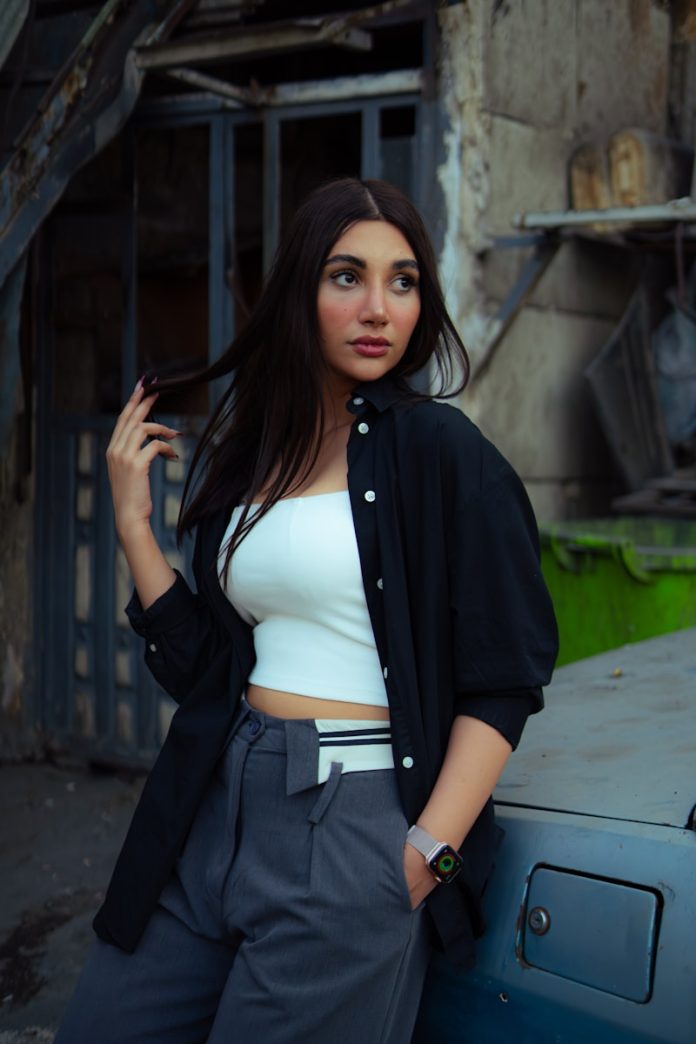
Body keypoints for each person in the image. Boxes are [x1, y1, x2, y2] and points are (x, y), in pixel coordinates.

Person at [55, 178, 558, 1044]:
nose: (378, 308)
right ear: (300, 291)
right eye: (346, 276)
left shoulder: (442, 451)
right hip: (214, 809)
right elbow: (206, 672)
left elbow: (506, 677)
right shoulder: (259, 452)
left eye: (403, 281)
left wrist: (423, 858)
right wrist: (136, 528)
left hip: (354, 825)